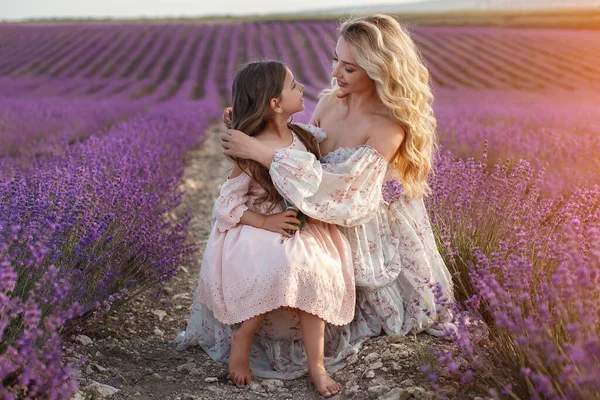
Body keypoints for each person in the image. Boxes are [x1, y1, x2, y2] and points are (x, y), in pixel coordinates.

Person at [221, 14, 456, 348]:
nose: (335, 74)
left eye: (349, 68)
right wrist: (248, 124)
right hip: (312, 211)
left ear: (381, 69)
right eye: (336, 60)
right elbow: (300, 150)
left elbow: (343, 191)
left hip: (355, 224)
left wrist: (263, 153)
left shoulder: (388, 126)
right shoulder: (330, 101)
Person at [177, 61, 355, 398]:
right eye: (293, 85)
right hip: (260, 225)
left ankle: (316, 364)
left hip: (302, 227)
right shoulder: (250, 149)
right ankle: (244, 335)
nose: (301, 87)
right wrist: (265, 222)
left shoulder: (304, 136)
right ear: (275, 104)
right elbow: (226, 206)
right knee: (275, 263)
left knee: (313, 268)